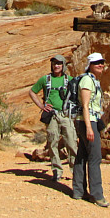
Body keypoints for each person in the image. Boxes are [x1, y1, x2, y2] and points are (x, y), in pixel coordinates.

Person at [29, 54, 77, 182]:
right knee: (53, 142)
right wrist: (41, 105)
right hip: (52, 116)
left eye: (59, 64)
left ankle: (75, 171)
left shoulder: (70, 80)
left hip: (66, 114)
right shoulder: (45, 79)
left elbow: (77, 93)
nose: (56, 66)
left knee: (71, 142)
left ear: (63, 66)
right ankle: (57, 171)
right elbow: (32, 92)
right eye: (54, 63)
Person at [72, 52, 109, 207]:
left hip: (85, 121)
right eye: (97, 63)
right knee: (95, 157)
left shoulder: (92, 80)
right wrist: (89, 127)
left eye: (102, 62)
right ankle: (97, 195)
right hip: (87, 121)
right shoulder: (87, 80)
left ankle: (78, 191)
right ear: (90, 66)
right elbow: (86, 106)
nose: (100, 65)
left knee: (82, 155)